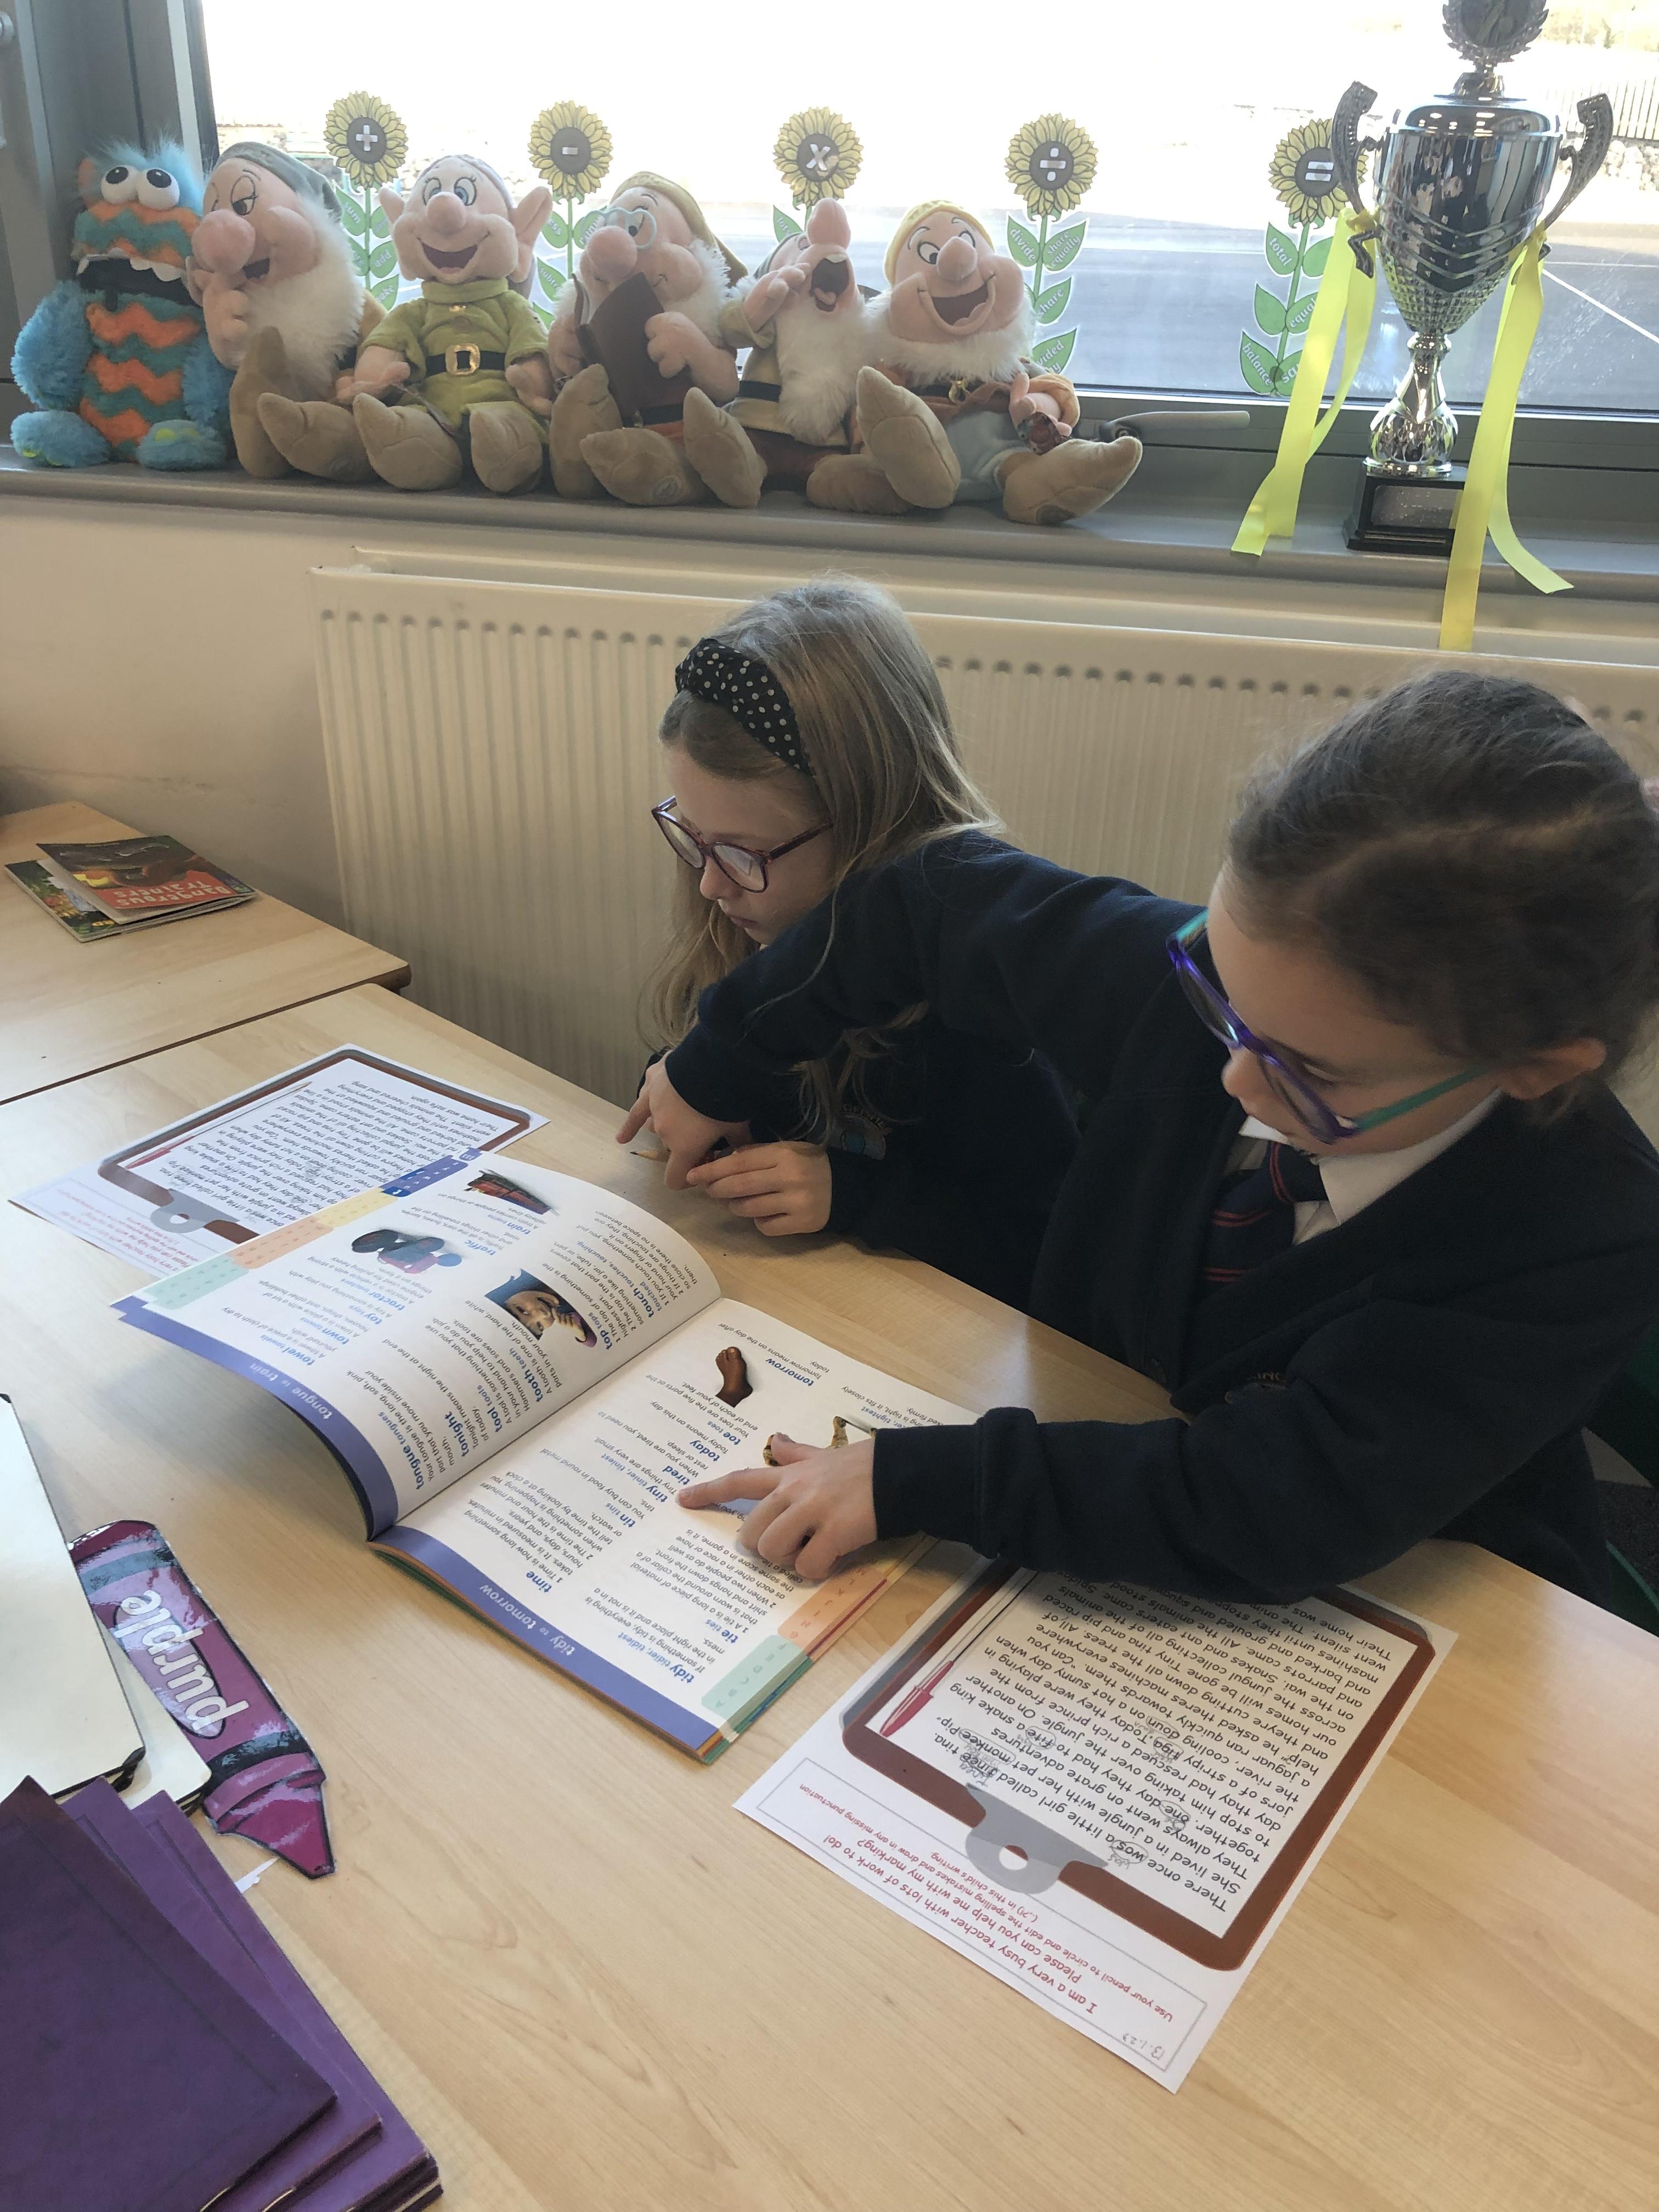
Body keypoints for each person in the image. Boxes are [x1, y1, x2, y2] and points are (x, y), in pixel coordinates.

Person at [621, 669, 1659, 1603]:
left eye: (1313, 1074)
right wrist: (721, 1059)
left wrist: (921, 1480)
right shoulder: (1193, 980)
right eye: (1221, 995)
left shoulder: (1586, 1229)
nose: (1234, 1081)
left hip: (1414, 1600)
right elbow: (926, 902)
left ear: (1534, 1067)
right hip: (1105, 1454)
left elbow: (1276, 1501)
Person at [635, 577, 1076, 1309]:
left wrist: (855, 1194)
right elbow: (711, 1090)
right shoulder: (748, 922)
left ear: (870, 831)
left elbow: (1042, 1246)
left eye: (741, 853)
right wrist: (682, 1088)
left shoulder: (980, 1018)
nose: (711, 885)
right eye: (693, 836)